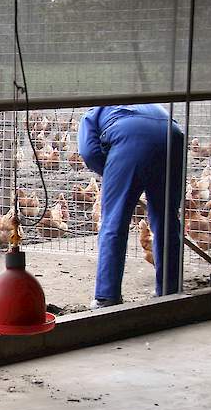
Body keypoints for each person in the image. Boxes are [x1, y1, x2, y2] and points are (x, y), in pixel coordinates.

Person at [77, 104, 184, 309]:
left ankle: (107, 296)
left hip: (129, 140)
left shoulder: (92, 114)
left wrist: (114, 172)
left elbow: (89, 152)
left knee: (113, 223)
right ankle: (170, 289)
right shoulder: (146, 102)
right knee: (167, 220)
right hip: (172, 136)